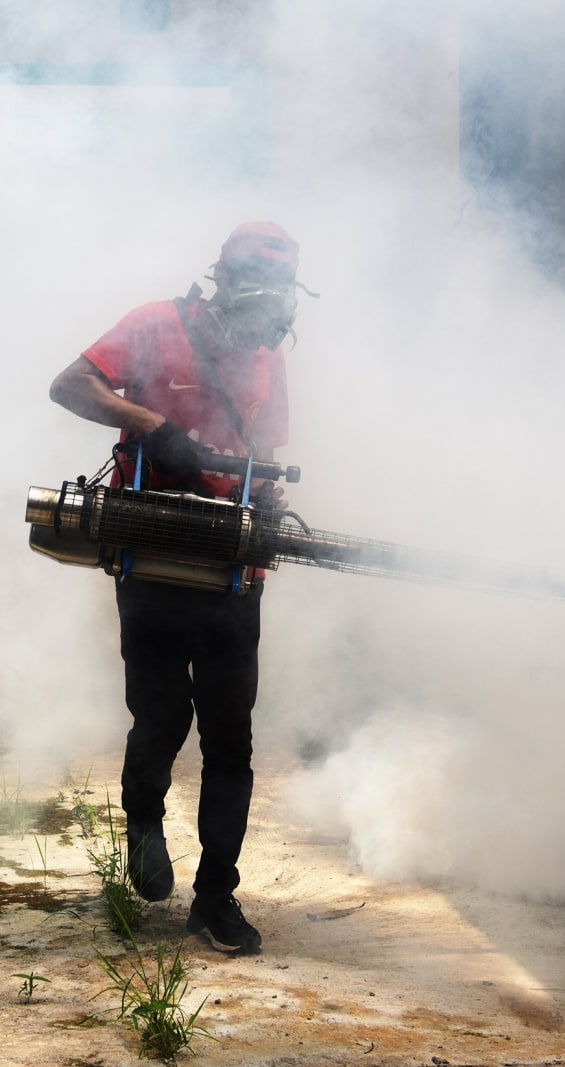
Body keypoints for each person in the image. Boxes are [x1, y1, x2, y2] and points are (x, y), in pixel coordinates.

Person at [49, 221, 302, 955]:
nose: (259, 328)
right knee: (162, 714)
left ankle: (217, 897)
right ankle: (143, 821)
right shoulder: (158, 325)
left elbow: (267, 450)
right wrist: (149, 423)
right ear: (222, 279)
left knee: (231, 736)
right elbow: (68, 383)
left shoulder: (267, 353)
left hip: (229, 565)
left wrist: (271, 519)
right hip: (154, 551)